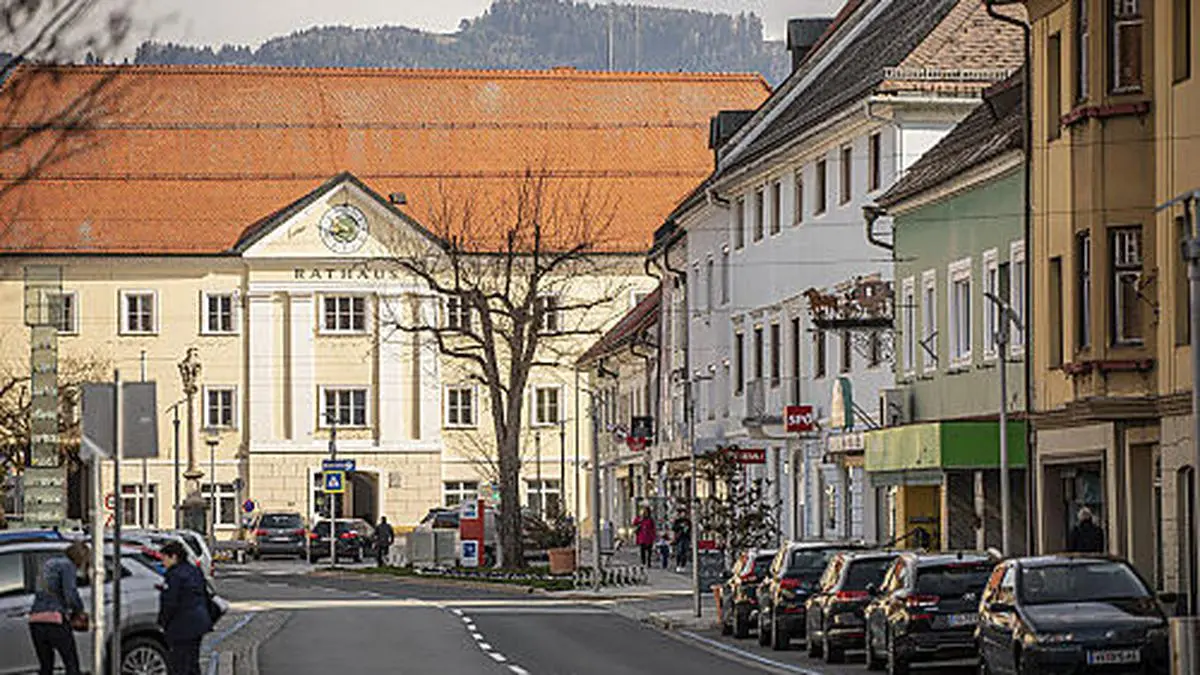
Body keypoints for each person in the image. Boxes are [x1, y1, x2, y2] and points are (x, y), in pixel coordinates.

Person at [28, 540, 89, 675]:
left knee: (46, 666)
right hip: (55, 621)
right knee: (71, 664)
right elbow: (70, 594)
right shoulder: (68, 566)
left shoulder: (49, 563)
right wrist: (80, 611)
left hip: (36, 620)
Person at [158, 540, 213, 675]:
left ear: (174, 557)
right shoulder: (194, 570)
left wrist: (162, 623)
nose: (162, 562)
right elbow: (205, 595)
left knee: (179, 665)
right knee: (192, 662)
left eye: (164, 558)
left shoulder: (174, 575)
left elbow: (170, 603)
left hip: (182, 626)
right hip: (198, 623)